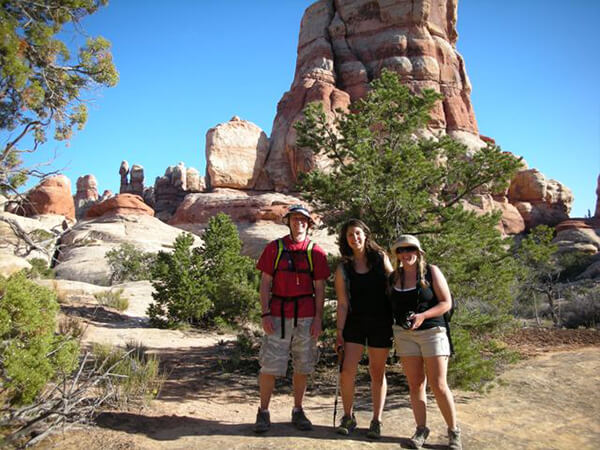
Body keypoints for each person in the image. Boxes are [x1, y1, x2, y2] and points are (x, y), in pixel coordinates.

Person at [252, 204, 330, 433]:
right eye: (295, 219)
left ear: (309, 224)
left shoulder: (316, 252)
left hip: (306, 316)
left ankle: (298, 409)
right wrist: (265, 313)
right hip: (278, 316)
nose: (299, 223)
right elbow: (265, 283)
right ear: (288, 222)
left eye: (303, 220)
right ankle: (263, 411)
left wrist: (318, 318)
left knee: (302, 365)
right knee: (269, 365)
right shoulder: (274, 248)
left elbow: (320, 288)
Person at [389, 234, 462, 450]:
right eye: (401, 250)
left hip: (433, 332)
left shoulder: (431, 272)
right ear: (397, 255)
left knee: (438, 385)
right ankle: (421, 430)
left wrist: (423, 316)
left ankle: (454, 431)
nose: (406, 254)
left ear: (418, 252)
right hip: (405, 335)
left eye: (410, 249)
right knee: (415, 384)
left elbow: (446, 303)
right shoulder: (394, 277)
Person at [334, 219, 393, 439]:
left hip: (380, 322)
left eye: (358, 233)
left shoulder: (380, 258)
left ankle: (376, 420)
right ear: (346, 239)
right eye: (350, 235)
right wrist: (339, 332)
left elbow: (394, 285)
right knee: (347, 370)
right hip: (355, 322)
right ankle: (348, 416)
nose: (355, 238)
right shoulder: (344, 268)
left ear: (365, 235)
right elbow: (342, 303)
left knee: (377, 372)